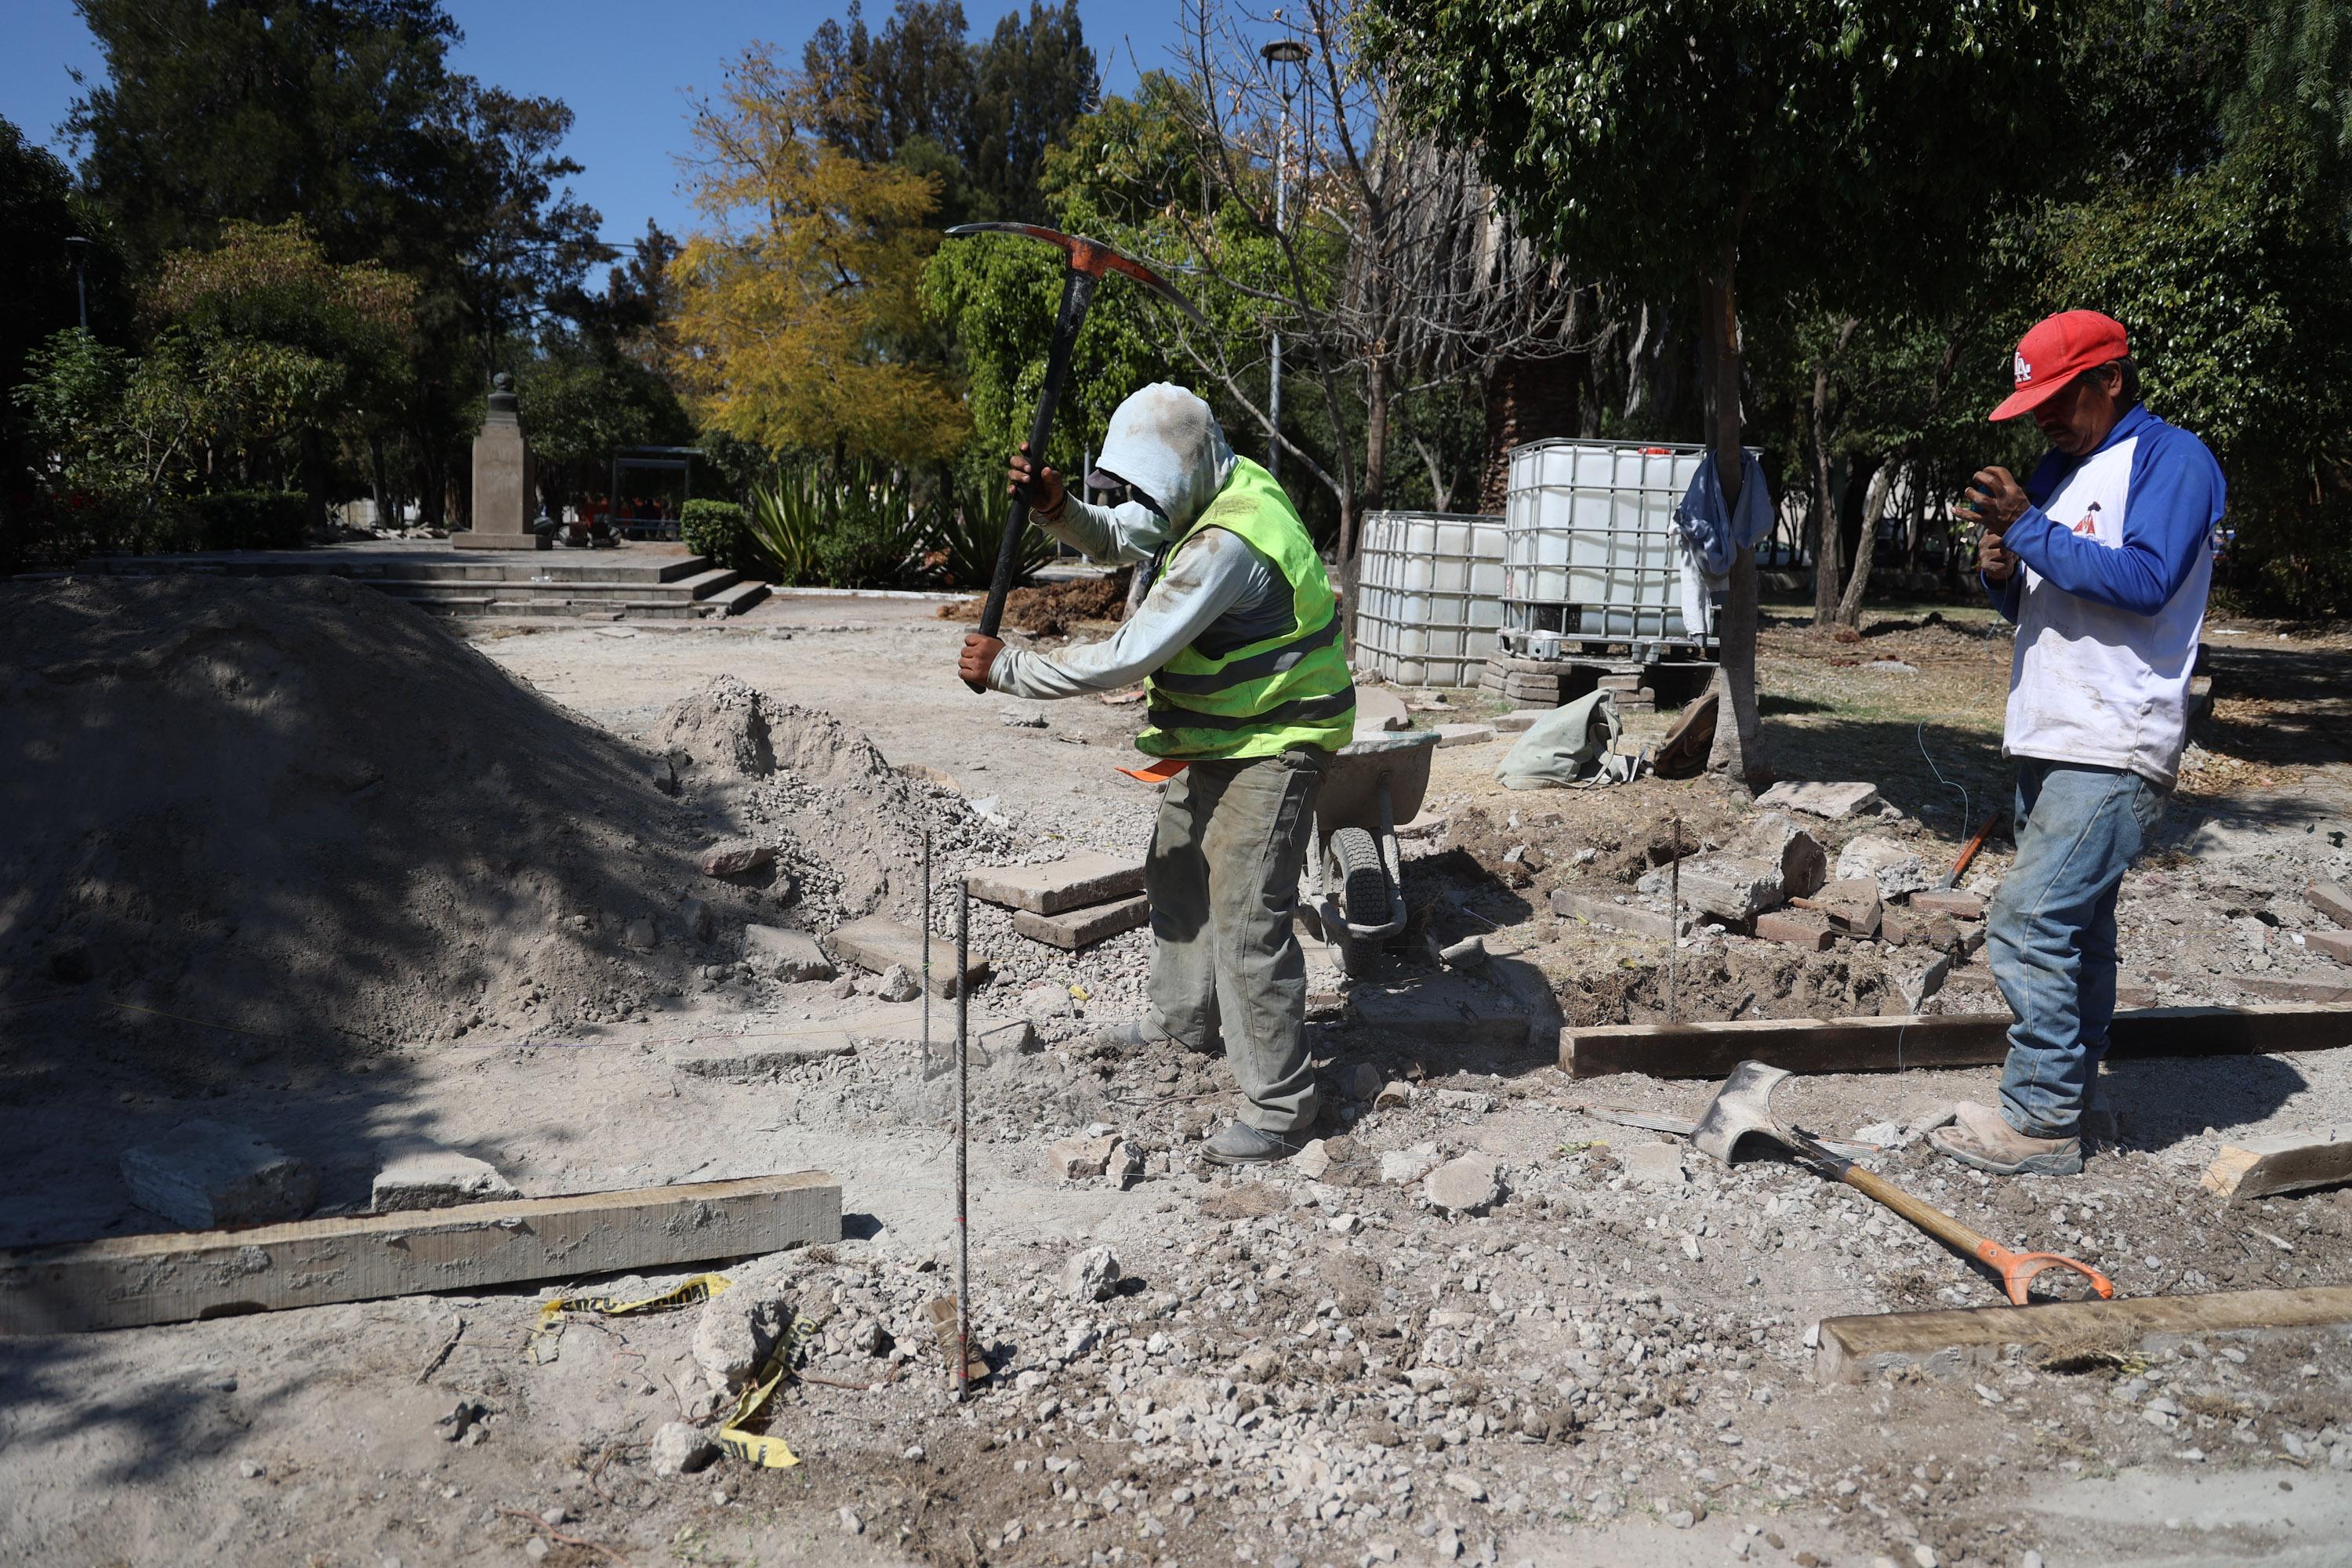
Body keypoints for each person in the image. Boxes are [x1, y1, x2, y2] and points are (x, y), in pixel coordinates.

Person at [956, 383, 1356, 1165]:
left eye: (1153, 486)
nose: (1147, 502)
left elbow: (1127, 655)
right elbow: (1125, 535)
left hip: (1277, 736)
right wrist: (1058, 507)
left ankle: (1281, 1102)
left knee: (1246, 915)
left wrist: (1012, 668)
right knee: (1175, 869)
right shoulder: (1213, 483)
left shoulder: (1230, 540)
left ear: (1193, 465)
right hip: (1221, 732)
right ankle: (1183, 1019)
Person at [1929, 310, 2226, 1178]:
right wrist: (2000, 572)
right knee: (2081, 928)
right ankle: (2078, 1095)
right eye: (2035, 405)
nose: (2046, 420)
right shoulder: (2061, 469)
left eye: (2061, 399)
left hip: (2115, 735)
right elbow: (2050, 605)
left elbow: (2143, 582)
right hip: (2053, 731)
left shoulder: (2174, 460)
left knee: (2027, 918)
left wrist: (2028, 530)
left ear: (2112, 379)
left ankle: (2043, 1120)